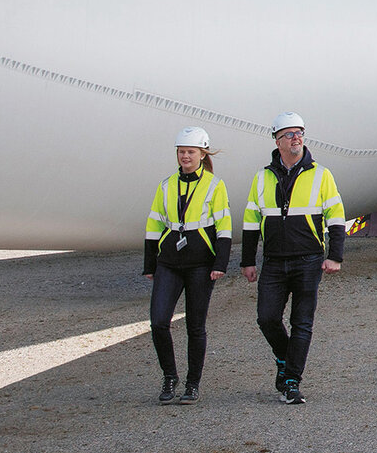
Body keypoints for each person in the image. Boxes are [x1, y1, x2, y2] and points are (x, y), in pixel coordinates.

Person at [240, 111, 345, 405]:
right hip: (274, 261)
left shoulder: (321, 175)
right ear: (277, 140)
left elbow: (336, 217)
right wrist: (248, 261)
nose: (296, 137)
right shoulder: (262, 177)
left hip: (309, 260)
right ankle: (283, 358)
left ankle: (291, 381)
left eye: (299, 132)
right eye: (289, 134)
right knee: (267, 318)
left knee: (302, 323)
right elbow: (250, 221)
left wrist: (334, 255)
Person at [142, 126, 231, 405]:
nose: (185, 156)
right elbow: (154, 223)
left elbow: (224, 226)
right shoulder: (167, 185)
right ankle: (170, 377)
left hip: (201, 265)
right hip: (169, 262)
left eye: (191, 152)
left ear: (202, 154)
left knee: (195, 325)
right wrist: (149, 264)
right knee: (158, 322)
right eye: (181, 152)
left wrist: (220, 263)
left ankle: (192, 384)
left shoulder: (215, 185)